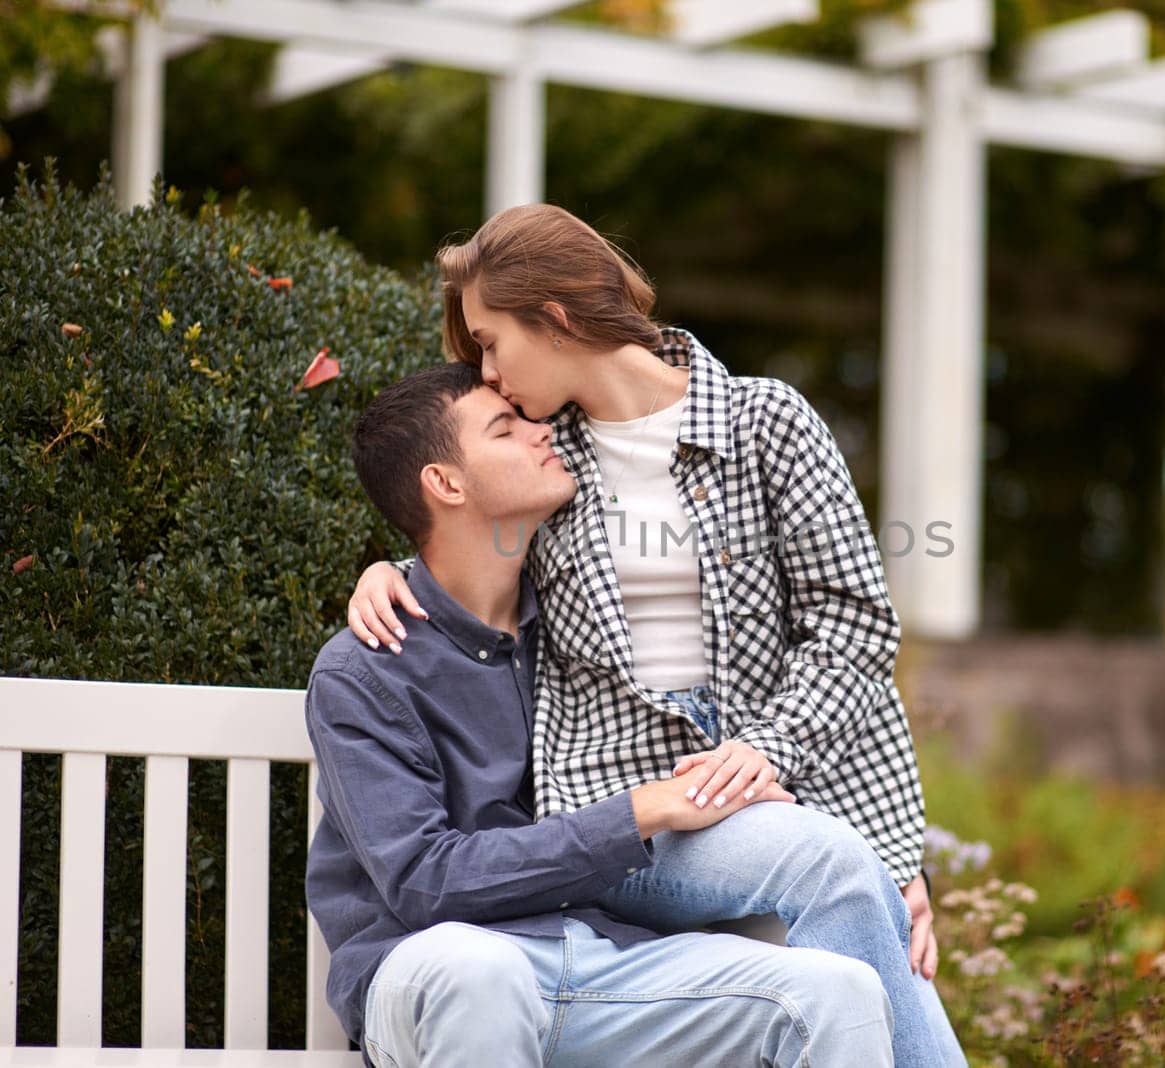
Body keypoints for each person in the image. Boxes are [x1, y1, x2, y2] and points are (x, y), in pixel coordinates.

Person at [346, 203, 965, 1066]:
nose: (484, 373)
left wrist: (883, 844)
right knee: (827, 862)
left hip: (769, 801)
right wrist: (381, 571)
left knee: (840, 876)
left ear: (555, 319)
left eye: (490, 341)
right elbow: (450, 523)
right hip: (622, 819)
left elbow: (854, 627)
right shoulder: (545, 460)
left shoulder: (765, 424)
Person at [306, 360, 898, 1067]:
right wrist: (644, 809)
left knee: (836, 992)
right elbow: (426, 883)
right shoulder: (365, 667)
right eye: (505, 427)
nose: (540, 431)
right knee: (479, 970)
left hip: (599, 963)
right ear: (446, 482)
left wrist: (897, 865)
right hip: (435, 967)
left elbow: (832, 646)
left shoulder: (575, 629)